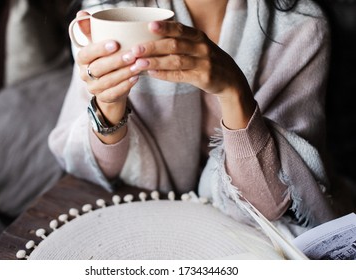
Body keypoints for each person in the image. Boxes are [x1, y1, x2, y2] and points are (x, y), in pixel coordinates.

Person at [48, 0, 351, 233]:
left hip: (248, 230)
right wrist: (108, 104)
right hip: (138, 217)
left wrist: (234, 92)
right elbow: (88, 163)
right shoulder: (109, 15)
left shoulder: (300, 27)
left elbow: (273, 200)